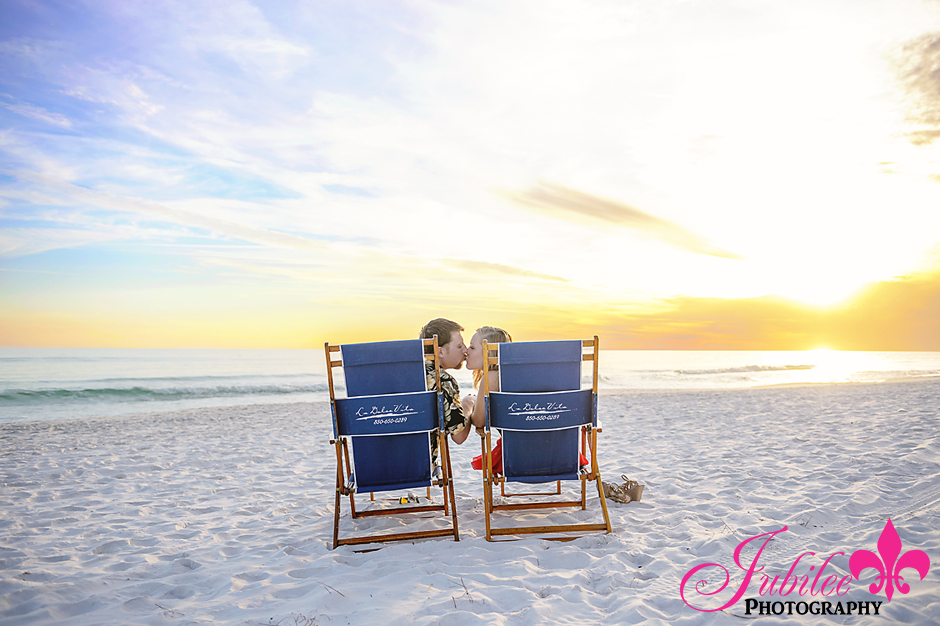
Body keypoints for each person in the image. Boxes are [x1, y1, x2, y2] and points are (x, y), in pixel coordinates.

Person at [419, 318, 472, 446]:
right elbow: (459, 436)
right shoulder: (442, 380)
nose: (465, 350)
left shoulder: (406, 374)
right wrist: (468, 404)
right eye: (459, 346)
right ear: (440, 351)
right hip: (424, 464)